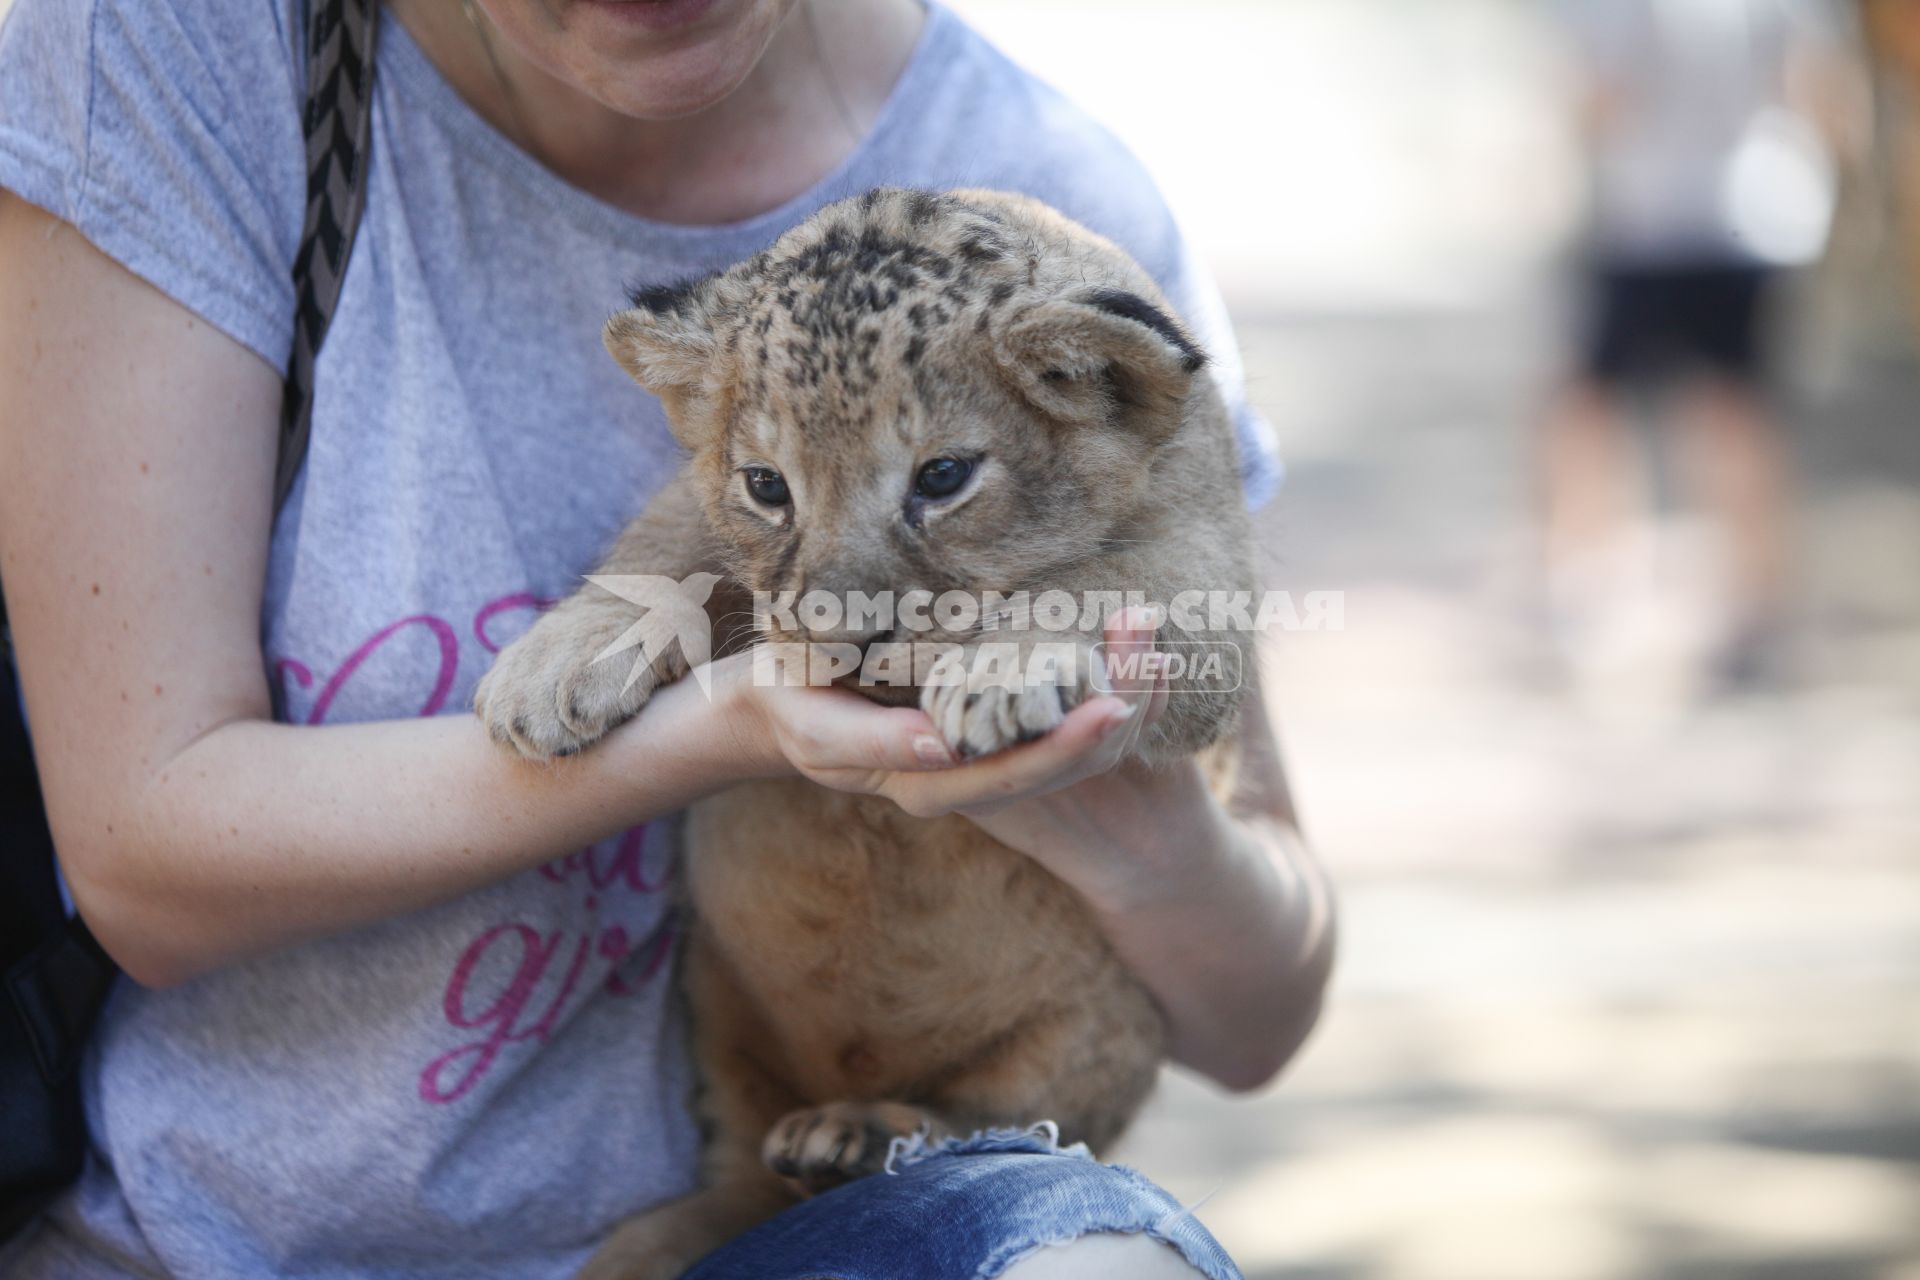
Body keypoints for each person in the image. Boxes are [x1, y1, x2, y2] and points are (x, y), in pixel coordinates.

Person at [0, 0, 1334, 1277]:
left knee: (1090, 1254)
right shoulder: (179, 53)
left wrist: (1139, 824)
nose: (841, 600)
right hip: (205, 1249)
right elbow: (142, 866)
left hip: (837, 1215)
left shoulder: (1045, 195)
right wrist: (702, 717)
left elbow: (1262, 1004)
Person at [1542, 0, 1851, 689]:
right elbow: (1818, 92)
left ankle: (1586, 594)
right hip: (1755, 218)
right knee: (1736, 413)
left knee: (1591, 409)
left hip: (1645, 222)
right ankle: (1756, 606)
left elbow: (1600, 98)